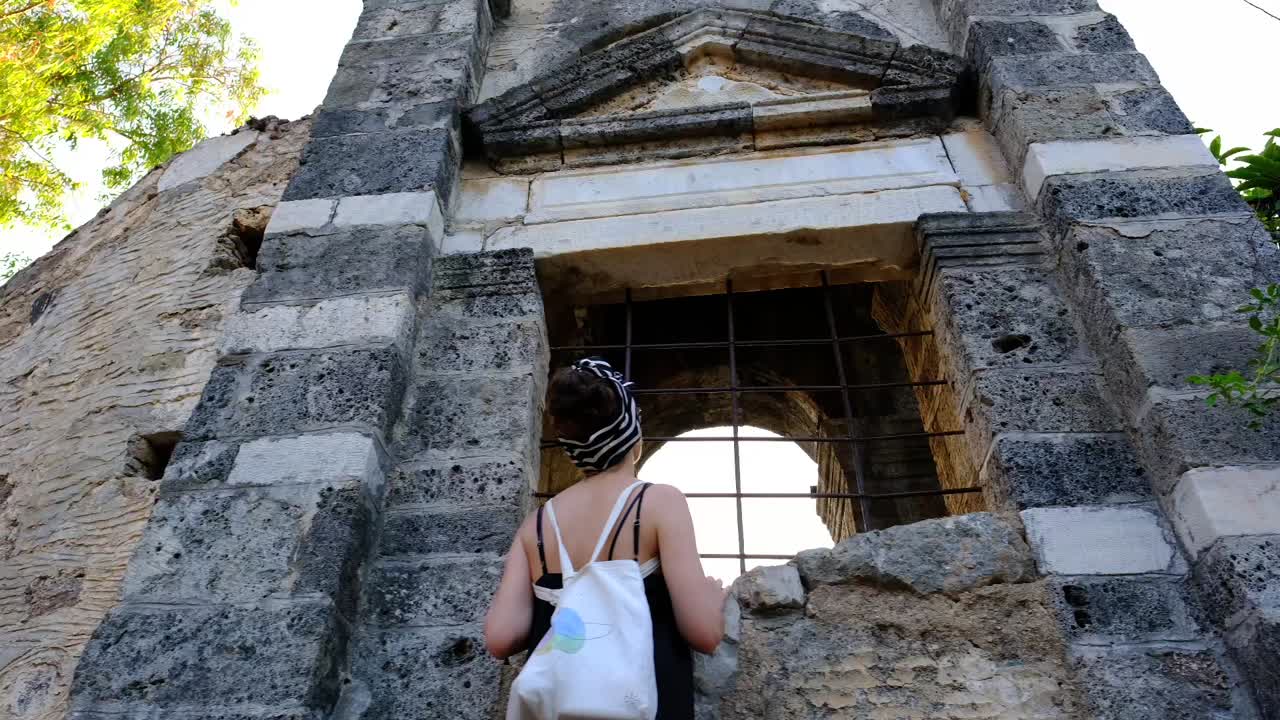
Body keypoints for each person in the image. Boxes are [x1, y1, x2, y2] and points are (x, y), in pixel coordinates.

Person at [484, 358, 728, 719]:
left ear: (570, 448)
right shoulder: (658, 502)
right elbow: (704, 633)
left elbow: (500, 637)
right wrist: (712, 600)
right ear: (634, 437)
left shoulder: (535, 526)